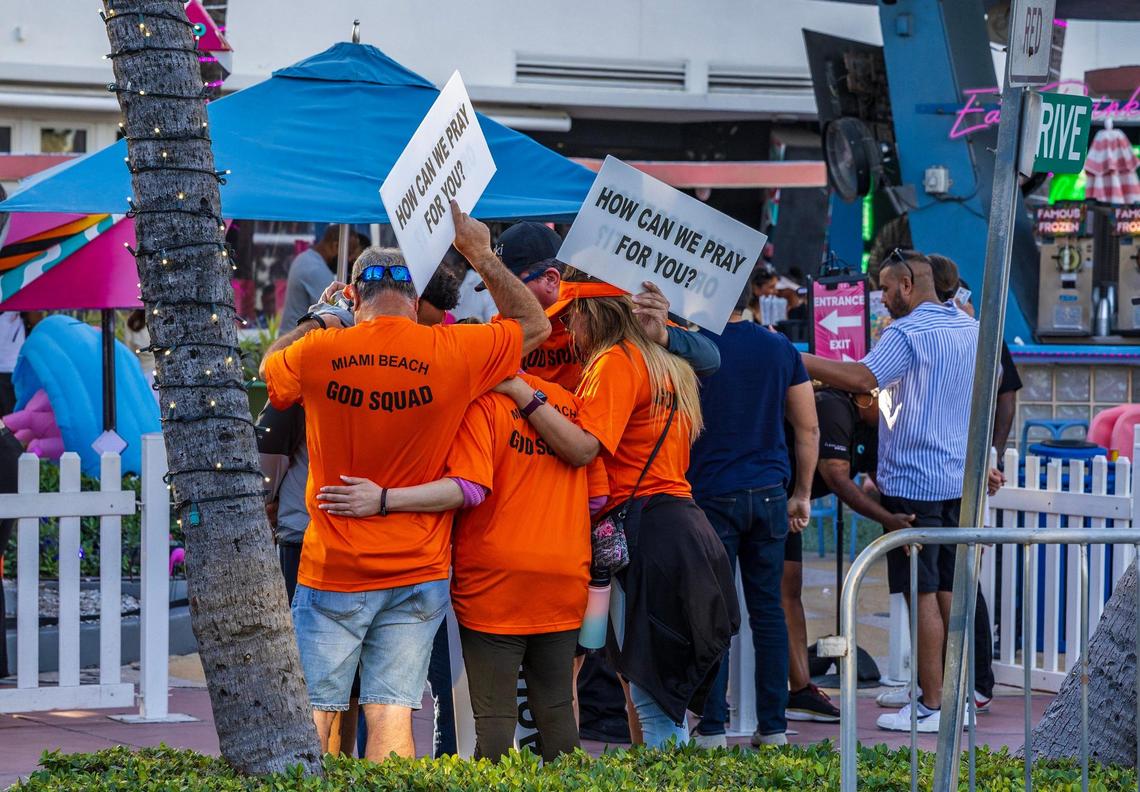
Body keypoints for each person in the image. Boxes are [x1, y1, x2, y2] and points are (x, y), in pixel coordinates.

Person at [260, 202, 549, 760]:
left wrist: (318, 319)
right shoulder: (453, 350)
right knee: (391, 707)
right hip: (418, 568)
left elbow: (272, 371)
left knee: (320, 708)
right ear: (416, 301)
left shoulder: (320, 350)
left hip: (334, 568)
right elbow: (533, 325)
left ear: (352, 295)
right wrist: (481, 254)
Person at [493, 281, 739, 748]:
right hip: (684, 527)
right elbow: (709, 356)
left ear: (593, 312)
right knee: (663, 696)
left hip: (644, 534)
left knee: (653, 704)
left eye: (572, 316)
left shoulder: (615, 363)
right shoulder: (668, 363)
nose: (568, 328)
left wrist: (522, 394)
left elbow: (585, 447)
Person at [317, 371, 607, 762]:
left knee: (495, 720)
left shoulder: (481, 405)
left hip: (495, 581)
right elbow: (597, 498)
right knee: (556, 710)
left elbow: (469, 489)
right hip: (563, 575)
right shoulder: (568, 403)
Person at [801, 248, 979, 733]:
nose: (880, 299)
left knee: (920, 592)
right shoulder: (970, 327)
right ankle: (955, 698)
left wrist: (797, 359)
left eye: (884, 288)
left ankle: (933, 705)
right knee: (947, 587)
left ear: (907, 285)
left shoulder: (906, 333)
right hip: (957, 478)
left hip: (915, 479)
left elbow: (862, 378)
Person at [686, 281, 819, 748]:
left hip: (710, 494)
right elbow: (808, 426)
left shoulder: (694, 347)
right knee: (769, 613)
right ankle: (774, 726)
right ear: (754, 301)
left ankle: (714, 726)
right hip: (768, 494)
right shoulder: (779, 346)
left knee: (714, 612)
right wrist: (801, 492)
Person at [480, 221, 720, 391]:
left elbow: (710, 358)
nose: (496, 295)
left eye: (505, 284)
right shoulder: (504, 325)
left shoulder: (598, 308)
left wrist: (662, 335)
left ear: (551, 280)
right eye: (492, 285)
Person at [279, 226, 365, 329]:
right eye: (349, 254)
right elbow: (335, 313)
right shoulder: (315, 269)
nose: (350, 260)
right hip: (297, 338)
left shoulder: (305, 258)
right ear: (336, 246)